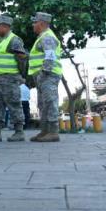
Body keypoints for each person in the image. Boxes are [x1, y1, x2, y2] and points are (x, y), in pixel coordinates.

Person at [0, 14, 28, 143]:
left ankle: (19, 132)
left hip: (9, 78)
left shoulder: (14, 40)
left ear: (5, 26)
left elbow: (22, 59)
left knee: (14, 104)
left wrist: (19, 75)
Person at [29, 12, 64, 143]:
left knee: (50, 101)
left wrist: (44, 73)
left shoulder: (47, 37)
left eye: (35, 22)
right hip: (43, 75)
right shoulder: (43, 36)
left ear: (42, 23)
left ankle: (53, 132)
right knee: (43, 104)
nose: (33, 25)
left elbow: (50, 56)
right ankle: (45, 131)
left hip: (48, 75)